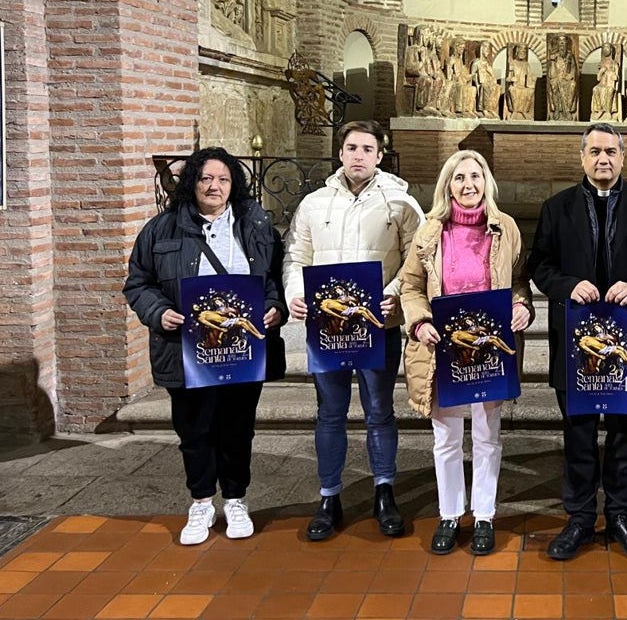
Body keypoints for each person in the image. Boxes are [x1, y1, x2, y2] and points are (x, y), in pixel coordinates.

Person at [527, 123, 627, 560]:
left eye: (611, 151)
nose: (603, 159)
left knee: (625, 432)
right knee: (577, 431)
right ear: (582, 157)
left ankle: (621, 515)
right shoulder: (557, 208)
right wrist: (567, 285)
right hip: (575, 341)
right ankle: (578, 518)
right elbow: (540, 265)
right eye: (594, 151)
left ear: (622, 157)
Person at [124, 147, 286, 546]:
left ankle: (235, 499)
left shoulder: (257, 225)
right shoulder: (161, 230)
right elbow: (137, 282)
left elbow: (274, 281)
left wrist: (274, 308)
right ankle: (200, 502)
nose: (215, 186)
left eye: (223, 179)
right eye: (206, 178)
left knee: (236, 427)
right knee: (195, 429)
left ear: (234, 184)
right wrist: (158, 312)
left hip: (242, 348)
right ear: (192, 182)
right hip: (186, 351)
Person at [283, 119, 424, 541]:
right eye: (352, 148)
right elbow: (296, 256)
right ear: (340, 154)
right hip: (327, 326)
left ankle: (384, 491)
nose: (359, 155)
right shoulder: (313, 203)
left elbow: (417, 259)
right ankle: (329, 496)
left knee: (379, 411)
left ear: (380, 155)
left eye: (367, 149)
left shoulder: (401, 204)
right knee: (330, 413)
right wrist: (295, 291)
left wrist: (395, 293)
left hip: (377, 323)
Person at [399, 150, 534, 556]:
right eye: (459, 177)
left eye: (476, 176)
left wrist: (521, 306)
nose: (468, 184)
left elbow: (519, 281)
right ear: (448, 185)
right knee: (447, 438)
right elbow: (410, 287)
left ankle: (486, 515)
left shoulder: (505, 228)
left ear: (486, 182)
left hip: (489, 349)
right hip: (443, 348)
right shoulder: (429, 232)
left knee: (487, 436)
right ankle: (449, 513)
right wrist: (420, 322)